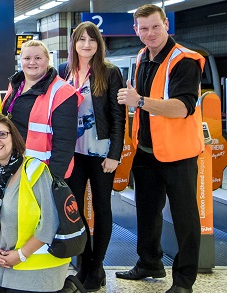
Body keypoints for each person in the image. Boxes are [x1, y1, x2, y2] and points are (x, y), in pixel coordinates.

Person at [115, 5, 205, 293]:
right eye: (144, 28)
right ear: (136, 31)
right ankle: (149, 262)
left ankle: (183, 281)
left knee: (185, 219)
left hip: (179, 154)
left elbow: (181, 108)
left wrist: (139, 101)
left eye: (155, 26)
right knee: (147, 211)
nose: (150, 33)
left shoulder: (185, 61)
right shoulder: (143, 56)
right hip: (146, 151)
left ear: (167, 24)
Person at [63, 22, 125, 292]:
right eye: (81, 40)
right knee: (74, 210)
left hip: (101, 154)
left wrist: (115, 154)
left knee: (101, 208)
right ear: (74, 44)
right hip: (73, 153)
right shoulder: (66, 72)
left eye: (92, 40)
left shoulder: (110, 72)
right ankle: (84, 261)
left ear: (99, 44)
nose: (86, 45)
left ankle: (97, 266)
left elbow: (117, 117)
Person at [0, 113, 69, 292]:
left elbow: (50, 223)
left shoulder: (35, 170)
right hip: (3, 266)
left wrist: (21, 255)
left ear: (14, 137)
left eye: (3, 134)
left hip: (38, 268)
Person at [0, 40, 80, 179]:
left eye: (38, 58)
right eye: (27, 58)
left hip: (41, 171)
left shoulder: (62, 91)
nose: (32, 62)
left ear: (47, 60)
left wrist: (52, 180)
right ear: (21, 60)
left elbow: (64, 143)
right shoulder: (15, 85)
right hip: (12, 165)